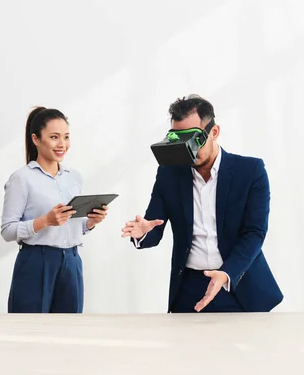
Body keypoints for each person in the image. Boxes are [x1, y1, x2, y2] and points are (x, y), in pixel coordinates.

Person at [121, 95, 283, 313]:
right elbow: (153, 229)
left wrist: (226, 274)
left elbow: (255, 232)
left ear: (214, 132)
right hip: (189, 287)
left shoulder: (250, 171)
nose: (188, 149)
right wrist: (141, 233)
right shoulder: (169, 174)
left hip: (237, 283)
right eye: (179, 139)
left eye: (194, 139)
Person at [1, 106, 108, 313]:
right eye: (54, 137)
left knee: (68, 332)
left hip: (72, 262)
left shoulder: (74, 177)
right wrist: (46, 221)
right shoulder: (21, 179)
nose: (62, 144)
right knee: (30, 330)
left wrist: (90, 223)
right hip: (36, 262)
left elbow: (72, 225)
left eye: (66, 137)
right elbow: (7, 231)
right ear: (36, 139)